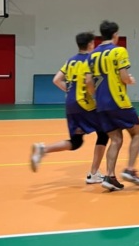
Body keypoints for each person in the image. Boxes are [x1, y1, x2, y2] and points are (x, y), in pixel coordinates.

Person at [30, 32, 108, 182]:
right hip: (84, 103)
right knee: (104, 132)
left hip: (70, 104)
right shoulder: (90, 60)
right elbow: (88, 82)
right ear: (90, 44)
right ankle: (94, 173)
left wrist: (70, 91)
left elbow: (56, 80)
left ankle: (43, 149)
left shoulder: (71, 61)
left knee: (76, 142)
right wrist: (95, 95)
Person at [86, 20, 139, 191]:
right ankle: (130, 169)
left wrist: (97, 96)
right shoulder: (119, 51)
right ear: (115, 35)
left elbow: (89, 82)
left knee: (115, 139)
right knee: (136, 133)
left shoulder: (92, 55)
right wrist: (130, 80)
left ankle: (110, 176)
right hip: (118, 101)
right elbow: (124, 76)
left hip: (101, 104)